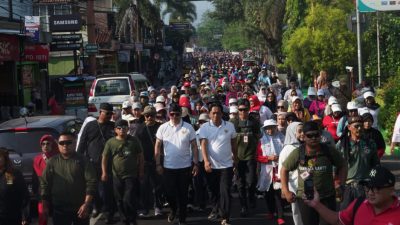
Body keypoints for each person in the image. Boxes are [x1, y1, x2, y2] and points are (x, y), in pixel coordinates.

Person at [281, 121, 347, 225]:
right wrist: (286, 191)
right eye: (310, 135)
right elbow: (284, 170)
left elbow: (343, 165)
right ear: (304, 136)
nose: (313, 138)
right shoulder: (298, 152)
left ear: (320, 135)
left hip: (327, 198)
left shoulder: (329, 150)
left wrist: (341, 185)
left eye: (316, 135)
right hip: (305, 199)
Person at [304, 166, 400, 225]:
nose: (370, 192)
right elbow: (338, 220)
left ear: (391, 190)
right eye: (367, 187)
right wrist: (316, 204)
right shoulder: (359, 203)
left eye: (376, 188)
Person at [155, 103, 199, 225]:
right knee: (169, 194)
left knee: (183, 194)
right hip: (168, 167)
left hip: (184, 167)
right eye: (172, 114)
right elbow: (157, 146)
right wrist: (158, 164)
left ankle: (182, 219)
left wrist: (196, 163)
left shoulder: (188, 127)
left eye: (177, 114)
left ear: (181, 114)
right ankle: (173, 210)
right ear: (169, 114)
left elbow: (194, 146)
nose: (174, 116)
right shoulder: (163, 128)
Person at [41, 131, 97, 225]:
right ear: (58, 144)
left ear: (75, 143)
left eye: (68, 142)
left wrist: (86, 204)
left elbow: (91, 182)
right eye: (62, 143)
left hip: (80, 209)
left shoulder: (83, 160)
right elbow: (44, 184)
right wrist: (45, 206)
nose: (65, 145)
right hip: (59, 209)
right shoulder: (52, 162)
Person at [199, 102, 237, 225]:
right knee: (213, 191)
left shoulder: (230, 126)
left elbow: (234, 144)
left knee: (225, 190)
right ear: (209, 114)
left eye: (218, 113)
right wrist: (206, 161)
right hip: (211, 165)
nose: (216, 115)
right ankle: (216, 208)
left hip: (226, 165)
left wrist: (235, 159)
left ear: (222, 114)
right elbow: (203, 144)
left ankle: (225, 217)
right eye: (213, 113)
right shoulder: (204, 127)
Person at [76, 103, 116, 222]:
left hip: (109, 164)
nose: (109, 116)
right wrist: (79, 159)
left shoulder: (113, 126)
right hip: (92, 163)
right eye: (107, 113)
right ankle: (96, 207)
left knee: (108, 190)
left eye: (111, 114)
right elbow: (82, 144)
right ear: (100, 113)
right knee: (93, 188)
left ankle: (109, 213)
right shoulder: (90, 126)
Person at [102, 120, 144, 225]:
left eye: (124, 128)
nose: (122, 130)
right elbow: (104, 158)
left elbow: (141, 157)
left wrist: (141, 171)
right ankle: (124, 219)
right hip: (116, 175)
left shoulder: (134, 141)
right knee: (119, 199)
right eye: (119, 128)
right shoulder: (110, 142)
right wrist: (104, 172)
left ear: (128, 129)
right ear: (115, 130)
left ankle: (132, 218)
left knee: (128, 198)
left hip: (131, 175)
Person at [336, 115, 380, 209]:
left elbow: (376, 165)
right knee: (345, 217)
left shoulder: (370, 143)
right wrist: (337, 185)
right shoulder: (342, 144)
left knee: (364, 216)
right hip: (347, 186)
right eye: (356, 126)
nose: (359, 128)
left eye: (361, 126)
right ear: (349, 127)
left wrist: (372, 181)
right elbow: (334, 166)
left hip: (365, 186)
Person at [230, 99, 260, 217]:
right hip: (237, 157)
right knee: (240, 183)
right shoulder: (233, 123)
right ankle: (243, 206)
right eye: (241, 109)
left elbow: (258, 138)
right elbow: (229, 140)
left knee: (251, 181)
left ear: (249, 110)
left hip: (251, 157)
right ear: (238, 110)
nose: (243, 112)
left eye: (245, 109)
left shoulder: (254, 122)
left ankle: (252, 197)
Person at [136, 106, 163, 217]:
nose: (149, 117)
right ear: (144, 116)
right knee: (144, 186)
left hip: (158, 161)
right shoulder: (140, 129)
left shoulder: (160, 127)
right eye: (147, 115)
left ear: (155, 116)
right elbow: (137, 148)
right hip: (145, 162)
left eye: (152, 115)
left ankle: (158, 206)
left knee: (158, 185)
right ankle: (144, 208)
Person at [256, 119, 285, 225]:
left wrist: (279, 158)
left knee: (278, 193)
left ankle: (280, 215)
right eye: (268, 128)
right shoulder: (262, 141)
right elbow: (258, 157)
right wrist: (268, 158)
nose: (270, 130)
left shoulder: (282, 138)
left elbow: (286, 152)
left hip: (279, 168)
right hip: (267, 170)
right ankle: (270, 211)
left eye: (272, 127)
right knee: (268, 193)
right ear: (265, 129)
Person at [277, 122, 304, 225]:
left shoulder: (305, 146)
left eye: (303, 131)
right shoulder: (287, 149)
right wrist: (285, 190)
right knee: (298, 213)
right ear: (292, 132)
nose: (302, 134)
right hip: (294, 186)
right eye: (299, 131)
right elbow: (281, 170)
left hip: (306, 185)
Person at [33, 135, 59, 225]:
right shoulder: (37, 159)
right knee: (42, 215)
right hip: (42, 193)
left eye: (48, 143)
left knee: (58, 216)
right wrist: (35, 190)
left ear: (53, 145)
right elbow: (35, 177)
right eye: (43, 144)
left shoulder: (58, 157)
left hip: (56, 191)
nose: (45, 146)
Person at [0, 147, 29, 225]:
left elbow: (24, 195)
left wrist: (24, 216)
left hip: (11, 217)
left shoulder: (11, 174)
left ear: (5, 158)